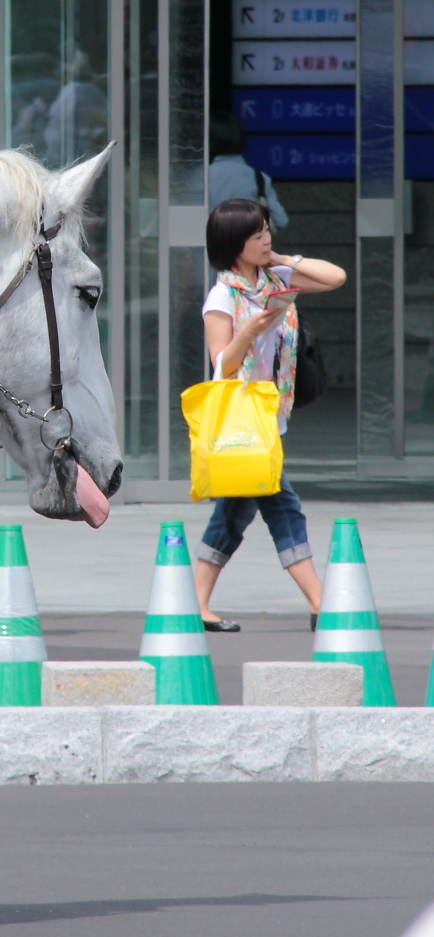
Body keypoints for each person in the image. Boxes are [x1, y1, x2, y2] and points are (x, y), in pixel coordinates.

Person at [195, 198, 346, 632]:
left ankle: (197, 603)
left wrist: (282, 258)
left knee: (234, 513)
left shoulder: (273, 279)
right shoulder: (222, 296)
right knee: (284, 506)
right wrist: (247, 331)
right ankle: (322, 601)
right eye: (258, 235)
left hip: (268, 415)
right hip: (245, 420)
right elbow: (221, 365)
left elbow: (335, 277)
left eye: (267, 231)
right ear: (234, 243)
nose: (267, 239)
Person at [208, 112, 288, 230]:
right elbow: (281, 220)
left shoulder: (200, 176)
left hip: (210, 245)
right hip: (247, 245)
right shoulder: (258, 177)